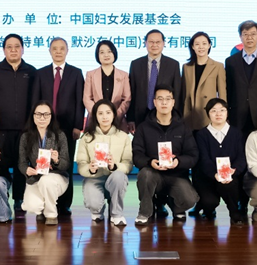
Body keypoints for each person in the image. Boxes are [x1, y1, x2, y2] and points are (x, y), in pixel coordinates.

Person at [0, 34, 37, 218]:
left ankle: (19, 199)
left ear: (23, 48)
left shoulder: (32, 71)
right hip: (1, 129)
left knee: (22, 164)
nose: (13, 50)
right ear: (3, 49)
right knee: (2, 164)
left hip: (25, 128)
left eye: (17, 46)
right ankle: (2, 199)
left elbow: (36, 100)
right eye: (9, 47)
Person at [132, 85, 199, 225]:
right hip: (153, 173)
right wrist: (150, 162)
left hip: (176, 175)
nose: (164, 102)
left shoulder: (183, 127)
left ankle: (174, 205)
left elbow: (193, 155)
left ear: (173, 102)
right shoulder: (144, 127)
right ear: (154, 102)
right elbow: (137, 155)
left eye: (168, 99)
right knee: (145, 175)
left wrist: (178, 161)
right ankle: (145, 211)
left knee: (190, 200)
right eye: (160, 99)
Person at [32, 37, 84, 216]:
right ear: (49, 51)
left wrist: (78, 126)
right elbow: (35, 101)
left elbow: (80, 102)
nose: (58, 51)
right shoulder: (40, 73)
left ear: (67, 50)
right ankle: (44, 203)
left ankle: (64, 204)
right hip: (44, 127)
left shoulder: (76, 73)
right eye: (55, 48)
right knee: (43, 164)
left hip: (69, 128)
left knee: (65, 165)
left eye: (62, 48)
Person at [76, 99, 133, 226]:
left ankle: (116, 214)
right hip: (94, 178)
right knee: (94, 206)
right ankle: (98, 209)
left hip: (114, 178)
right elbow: (81, 163)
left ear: (114, 115)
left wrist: (114, 166)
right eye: (100, 113)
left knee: (119, 176)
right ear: (95, 116)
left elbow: (128, 164)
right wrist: (90, 168)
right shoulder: (87, 137)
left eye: (108, 113)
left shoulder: (123, 137)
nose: (105, 117)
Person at [193, 98, 246, 224]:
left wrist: (233, 171)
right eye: (213, 111)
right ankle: (208, 210)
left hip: (230, 177)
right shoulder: (201, 135)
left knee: (230, 185)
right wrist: (215, 174)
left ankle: (234, 212)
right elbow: (204, 160)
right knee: (209, 202)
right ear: (208, 114)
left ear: (227, 113)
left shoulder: (236, 133)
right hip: (208, 178)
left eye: (222, 110)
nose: (218, 114)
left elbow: (241, 157)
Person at [19, 101, 70, 226]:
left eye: (46, 114)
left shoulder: (60, 135)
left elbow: (66, 164)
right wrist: (27, 170)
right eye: (38, 114)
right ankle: (41, 209)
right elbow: (22, 162)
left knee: (46, 181)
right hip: (36, 177)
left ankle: (51, 214)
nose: (42, 118)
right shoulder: (25, 137)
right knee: (31, 206)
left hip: (56, 178)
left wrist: (57, 160)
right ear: (33, 116)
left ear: (51, 116)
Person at [128, 29, 183, 132]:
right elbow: (132, 92)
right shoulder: (136, 64)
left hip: (165, 115)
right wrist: (130, 118)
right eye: (151, 42)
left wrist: (176, 117)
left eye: (158, 42)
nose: (154, 45)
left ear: (163, 43)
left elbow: (177, 93)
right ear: (145, 43)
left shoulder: (173, 64)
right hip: (140, 115)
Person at [181, 31, 227, 132]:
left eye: (204, 43)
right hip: (190, 113)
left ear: (209, 45)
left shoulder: (218, 66)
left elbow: (222, 94)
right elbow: (184, 92)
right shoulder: (186, 67)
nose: (201, 47)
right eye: (197, 44)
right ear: (192, 47)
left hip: (208, 113)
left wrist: (223, 114)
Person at [83, 40, 131, 128]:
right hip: (95, 122)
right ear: (97, 55)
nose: (106, 55)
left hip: (118, 121)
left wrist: (115, 116)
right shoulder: (91, 75)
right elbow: (87, 98)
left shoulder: (123, 75)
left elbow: (127, 99)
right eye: (102, 52)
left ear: (114, 53)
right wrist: (98, 115)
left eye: (109, 51)